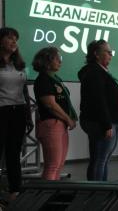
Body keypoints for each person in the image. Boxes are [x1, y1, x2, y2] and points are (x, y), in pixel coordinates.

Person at [78, 40, 118, 181]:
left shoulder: (98, 71)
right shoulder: (95, 72)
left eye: (111, 52)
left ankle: (100, 191)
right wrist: (106, 124)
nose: (111, 55)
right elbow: (99, 101)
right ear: (96, 54)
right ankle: (97, 194)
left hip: (104, 121)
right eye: (108, 52)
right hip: (102, 122)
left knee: (100, 159)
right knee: (100, 159)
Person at [33, 47, 77, 181]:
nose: (60, 61)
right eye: (57, 58)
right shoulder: (43, 79)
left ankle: (52, 196)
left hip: (59, 125)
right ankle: (44, 199)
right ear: (47, 60)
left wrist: (67, 120)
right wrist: (68, 119)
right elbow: (50, 104)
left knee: (58, 165)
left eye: (61, 58)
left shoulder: (55, 78)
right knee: (52, 166)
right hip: (51, 125)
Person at [0, 27, 32, 201]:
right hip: (1, 111)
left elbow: (24, 91)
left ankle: (15, 190)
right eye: (10, 38)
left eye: (16, 39)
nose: (14, 42)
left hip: (18, 111)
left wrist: (28, 116)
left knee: (14, 153)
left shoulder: (18, 64)